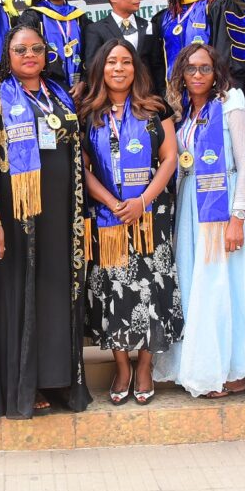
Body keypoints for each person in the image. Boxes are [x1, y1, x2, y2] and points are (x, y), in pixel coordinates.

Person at [0, 24, 90, 418]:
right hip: (17, 219)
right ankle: (27, 384)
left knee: (57, 295)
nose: (30, 55)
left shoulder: (59, 96)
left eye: (36, 48)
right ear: (8, 55)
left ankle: (60, 381)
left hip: (61, 216)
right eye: (20, 50)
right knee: (23, 297)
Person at [153, 43, 245, 398]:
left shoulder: (231, 106)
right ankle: (203, 366)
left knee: (228, 288)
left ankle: (232, 368)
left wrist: (238, 217)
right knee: (199, 285)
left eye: (205, 68)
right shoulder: (183, 114)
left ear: (216, 73)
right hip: (193, 209)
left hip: (226, 205)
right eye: (191, 69)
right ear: (181, 74)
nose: (198, 75)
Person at [79, 38, 182, 407]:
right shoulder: (88, 113)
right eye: (111, 62)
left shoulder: (155, 109)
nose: (118, 68)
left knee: (151, 288)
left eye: (125, 61)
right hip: (108, 219)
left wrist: (142, 201)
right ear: (100, 69)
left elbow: (170, 158)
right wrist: (113, 203)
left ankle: (145, 366)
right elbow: (83, 169)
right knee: (113, 291)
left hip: (150, 216)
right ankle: (122, 367)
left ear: (136, 68)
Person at [17, 0, 92, 90]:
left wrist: (84, 81)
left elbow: (91, 52)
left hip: (81, 88)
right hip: (46, 86)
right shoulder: (33, 16)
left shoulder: (80, 17)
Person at [82, 0, 163, 94]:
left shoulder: (149, 26)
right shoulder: (95, 29)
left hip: (146, 95)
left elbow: (157, 66)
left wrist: (161, 96)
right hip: (112, 96)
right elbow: (93, 67)